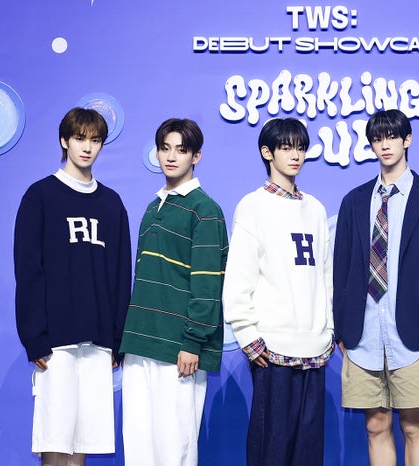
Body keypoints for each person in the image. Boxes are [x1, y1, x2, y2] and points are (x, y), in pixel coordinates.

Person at [333, 109, 419, 466]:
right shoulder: (354, 201)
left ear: (407, 140)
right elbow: (342, 270)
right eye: (377, 139)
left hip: (411, 331)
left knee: (414, 425)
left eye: (392, 137)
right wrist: (342, 327)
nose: (385, 145)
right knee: (375, 426)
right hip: (363, 332)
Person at [14, 107, 131, 466]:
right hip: (55, 343)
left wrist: (117, 340)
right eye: (80, 139)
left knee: (85, 441)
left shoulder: (111, 204)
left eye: (95, 140)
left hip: (98, 341)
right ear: (64, 141)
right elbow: (28, 271)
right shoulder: (41, 196)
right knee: (54, 439)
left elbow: (120, 275)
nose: (87, 147)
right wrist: (34, 337)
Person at [223, 118, 333, 466]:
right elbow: (239, 276)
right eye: (286, 148)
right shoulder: (253, 205)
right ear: (267, 152)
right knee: (271, 447)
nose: (295, 155)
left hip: (315, 347)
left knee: (308, 450)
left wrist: (329, 330)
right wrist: (247, 334)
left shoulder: (315, 208)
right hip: (272, 349)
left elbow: (325, 276)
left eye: (300, 148)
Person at [119, 118, 228, 466]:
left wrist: (193, 342)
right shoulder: (153, 207)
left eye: (181, 150)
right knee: (139, 445)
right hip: (140, 341)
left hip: (179, 348)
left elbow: (208, 282)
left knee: (173, 448)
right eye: (165, 148)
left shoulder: (205, 210)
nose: (171, 157)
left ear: (196, 156)